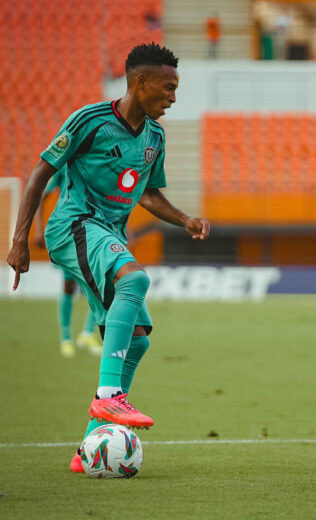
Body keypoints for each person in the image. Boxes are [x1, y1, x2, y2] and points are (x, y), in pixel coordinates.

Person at [6, 43, 211, 473]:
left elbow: (149, 194)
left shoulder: (154, 137)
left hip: (108, 232)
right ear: (140, 82)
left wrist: (184, 219)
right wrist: (20, 238)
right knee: (134, 281)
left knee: (138, 338)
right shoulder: (90, 120)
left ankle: (88, 449)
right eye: (168, 87)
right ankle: (107, 398)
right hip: (74, 224)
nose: (173, 97)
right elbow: (42, 171)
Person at [34, 166, 102, 358]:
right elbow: (43, 196)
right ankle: (66, 338)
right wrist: (39, 230)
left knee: (100, 285)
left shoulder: (95, 162)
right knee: (69, 286)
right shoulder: (64, 165)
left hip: (93, 232)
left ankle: (88, 333)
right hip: (67, 233)